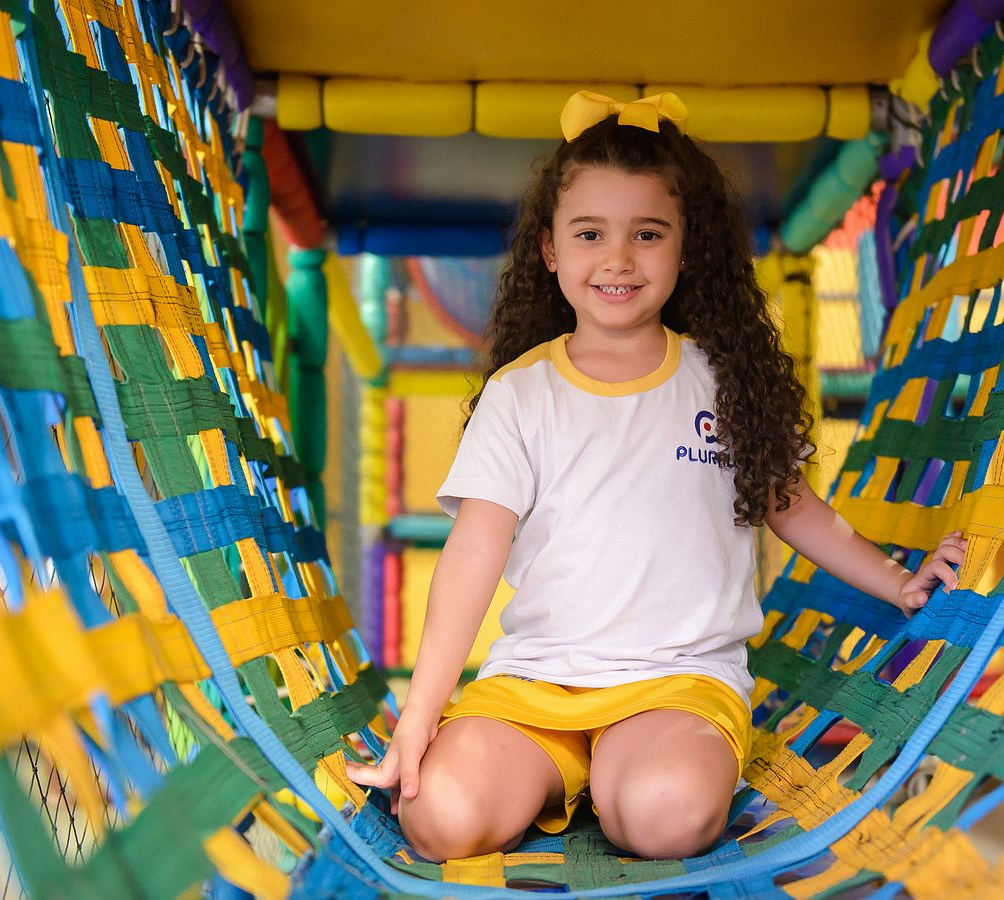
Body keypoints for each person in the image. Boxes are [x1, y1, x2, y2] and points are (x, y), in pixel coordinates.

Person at [346, 91, 966, 863]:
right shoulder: (520, 393)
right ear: (549, 249)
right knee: (439, 816)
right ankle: (564, 777)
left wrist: (899, 581)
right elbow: (473, 554)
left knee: (664, 814)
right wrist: (419, 717)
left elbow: (792, 505)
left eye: (647, 233)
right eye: (590, 233)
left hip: (678, 686)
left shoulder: (722, 379)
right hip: (538, 689)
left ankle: (615, 782)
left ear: (686, 247)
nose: (618, 258)